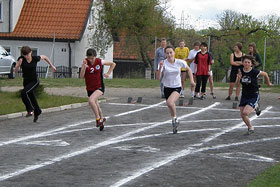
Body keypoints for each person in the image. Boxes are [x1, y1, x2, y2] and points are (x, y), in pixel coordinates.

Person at [157, 46, 195, 134]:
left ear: (174, 53)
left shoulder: (180, 62)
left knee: (170, 102)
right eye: (167, 53)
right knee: (170, 105)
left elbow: (189, 69)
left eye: (171, 52)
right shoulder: (163, 63)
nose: (169, 55)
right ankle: (175, 119)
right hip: (167, 88)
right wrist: (160, 68)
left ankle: (174, 119)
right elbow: (158, 78)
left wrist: (192, 81)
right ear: (165, 54)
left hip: (177, 87)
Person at [14, 46, 56, 122]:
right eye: (24, 55)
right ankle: (37, 111)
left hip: (34, 81)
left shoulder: (35, 58)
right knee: (31, 96)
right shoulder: (21, 59)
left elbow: (45, 57)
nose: (26, 57)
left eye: (27, 55)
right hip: (26, 81)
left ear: (30, 52)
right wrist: (18, 65)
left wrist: (51, 65)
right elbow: (15, 71)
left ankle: (30, 110)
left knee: (24, 93)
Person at [80, 48, 116, 131]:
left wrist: (108, 73)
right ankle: (102, 119)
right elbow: (81, 76)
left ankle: (97, 119)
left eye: (92, 58)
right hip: (90, 88)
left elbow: (113, 64)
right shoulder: (85, 62)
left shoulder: (100, 62)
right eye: (89, 58)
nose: (91, 60)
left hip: (99, 86)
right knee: (96, 105)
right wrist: (83, 67)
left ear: (95, 57)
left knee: (91, 101)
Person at [236, 55, 273, 135]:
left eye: (248, 62)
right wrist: (239, 78)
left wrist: (268, 83)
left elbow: (265, 74)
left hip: (254, 95)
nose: (246, 64)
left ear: (251, 64)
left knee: (245, 112)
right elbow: (237, 85)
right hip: (244, 95)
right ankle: (250, 127)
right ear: (242, 63)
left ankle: (255, 106)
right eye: (245, 62)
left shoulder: (254, 72)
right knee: (242, 114)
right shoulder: (240, 71)